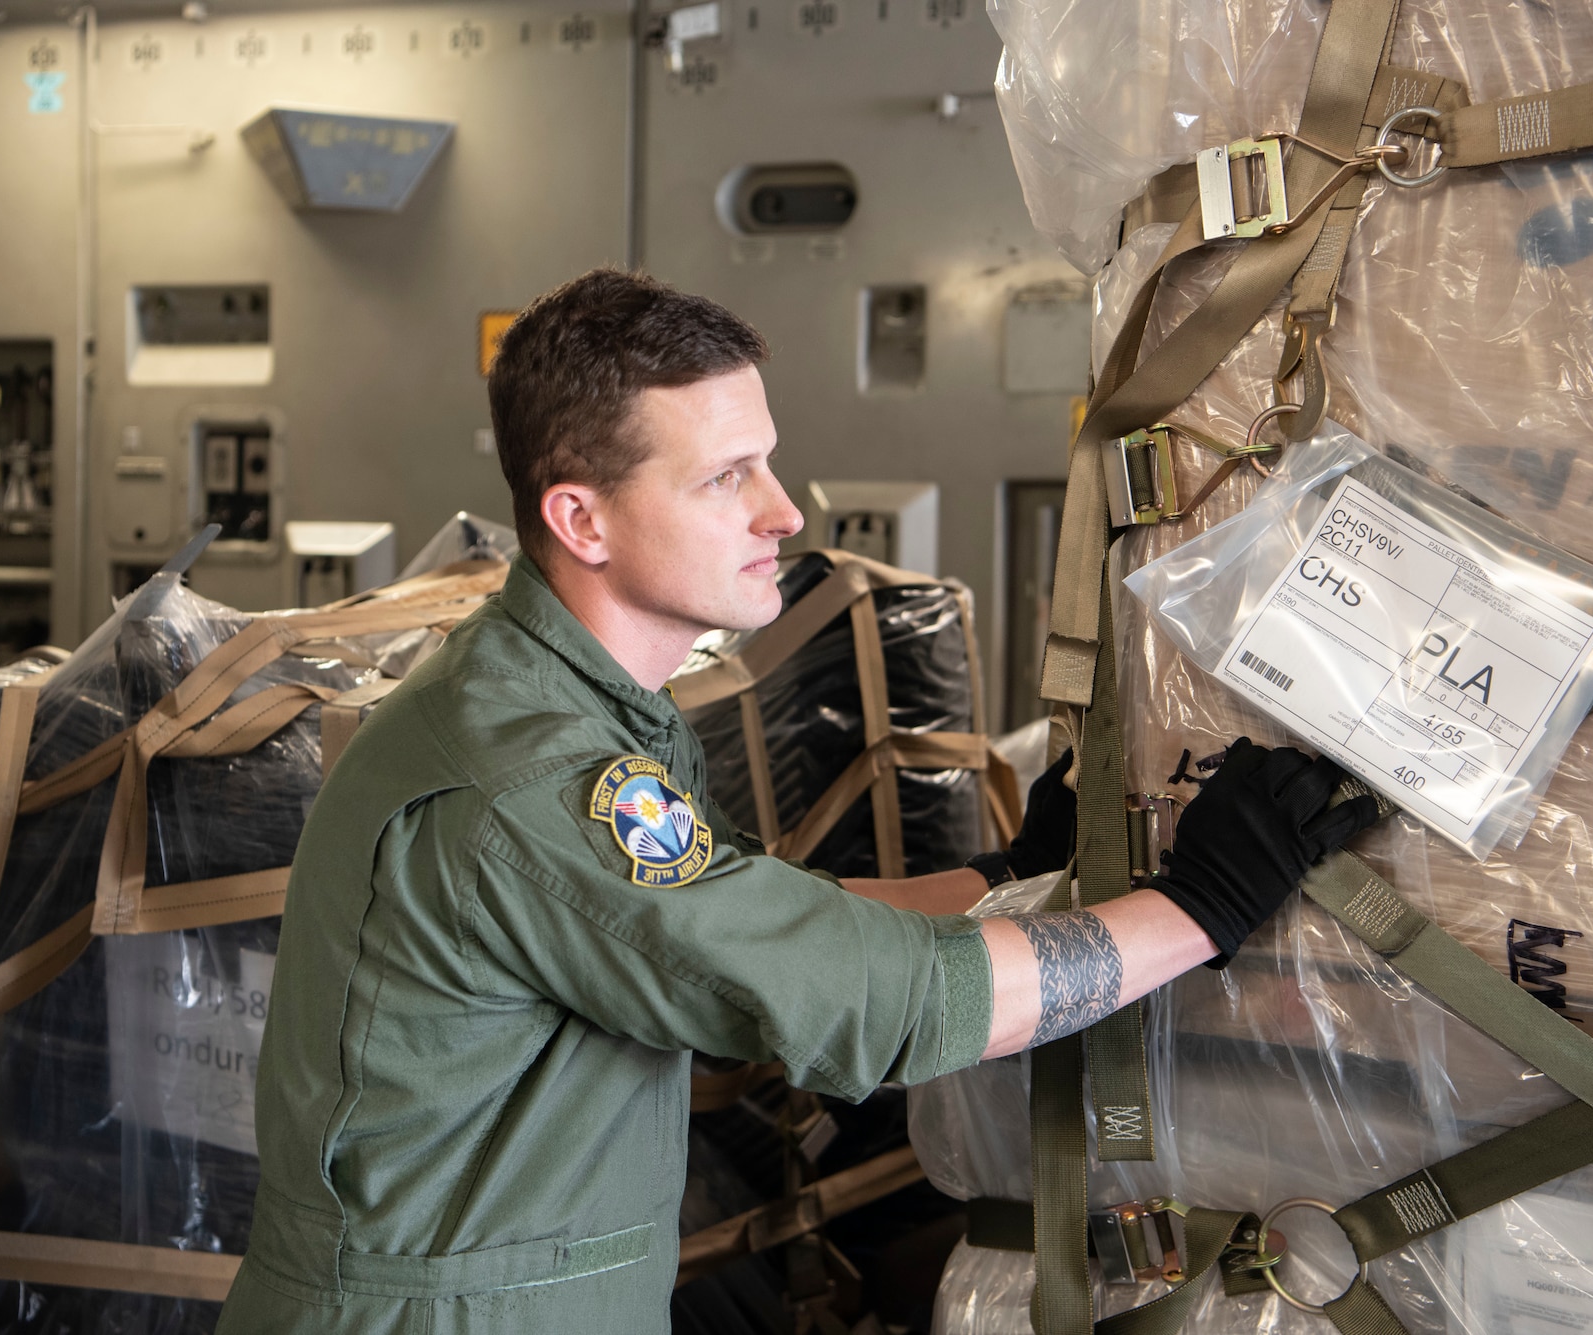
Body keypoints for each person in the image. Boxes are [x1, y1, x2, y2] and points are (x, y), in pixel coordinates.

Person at [215, 269, 1378, 1334]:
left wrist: (996, 873)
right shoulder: (536, 775)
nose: (782, 513)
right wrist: (1204, 904)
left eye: (765, 461)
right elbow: (873, 1006)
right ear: (582, 519)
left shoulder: (568, 701)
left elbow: (746, 919)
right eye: (727, 478)